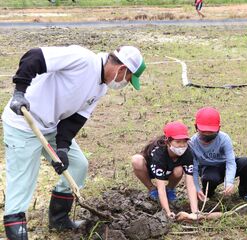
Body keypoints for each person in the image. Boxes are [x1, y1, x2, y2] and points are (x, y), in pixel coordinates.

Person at [1, 45, 146, 239]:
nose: (125, 83)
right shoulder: (82, 59)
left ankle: (58, 219)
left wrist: (62, 148)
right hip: (23, 123)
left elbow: (75, 120)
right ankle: (17, 234)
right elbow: (34, 56)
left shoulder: (101, 87)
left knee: (78, 165)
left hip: (50, 127)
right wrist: (19, 92)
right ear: (122, 69)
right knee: (22, 183)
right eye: (128, 79)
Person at [131, 121, 199, 219]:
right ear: (168, 142)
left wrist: (195, 211)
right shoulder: (159, 154)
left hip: (170, 170)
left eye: (184, 141)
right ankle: (152, 190)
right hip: (151, 169)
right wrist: (167, 212)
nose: (182, 145)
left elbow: (190, 184)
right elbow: (161, 187)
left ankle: (170, 189)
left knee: (179, 170)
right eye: (178, 142)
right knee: (136, 160)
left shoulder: (188, 153)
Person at [190, 107, 247, 202]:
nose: (207, 135)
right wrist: (196, 188)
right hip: (208, 169)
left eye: (211, 132)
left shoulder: (224, 139)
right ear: (196, 127)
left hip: (224, 165)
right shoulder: (192, 143)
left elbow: (230, 162)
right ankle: (208, 193)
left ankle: (244, 192)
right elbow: (194, 168)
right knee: (209, 178)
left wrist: (229, 182)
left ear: (218, 129)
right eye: (204, 132)